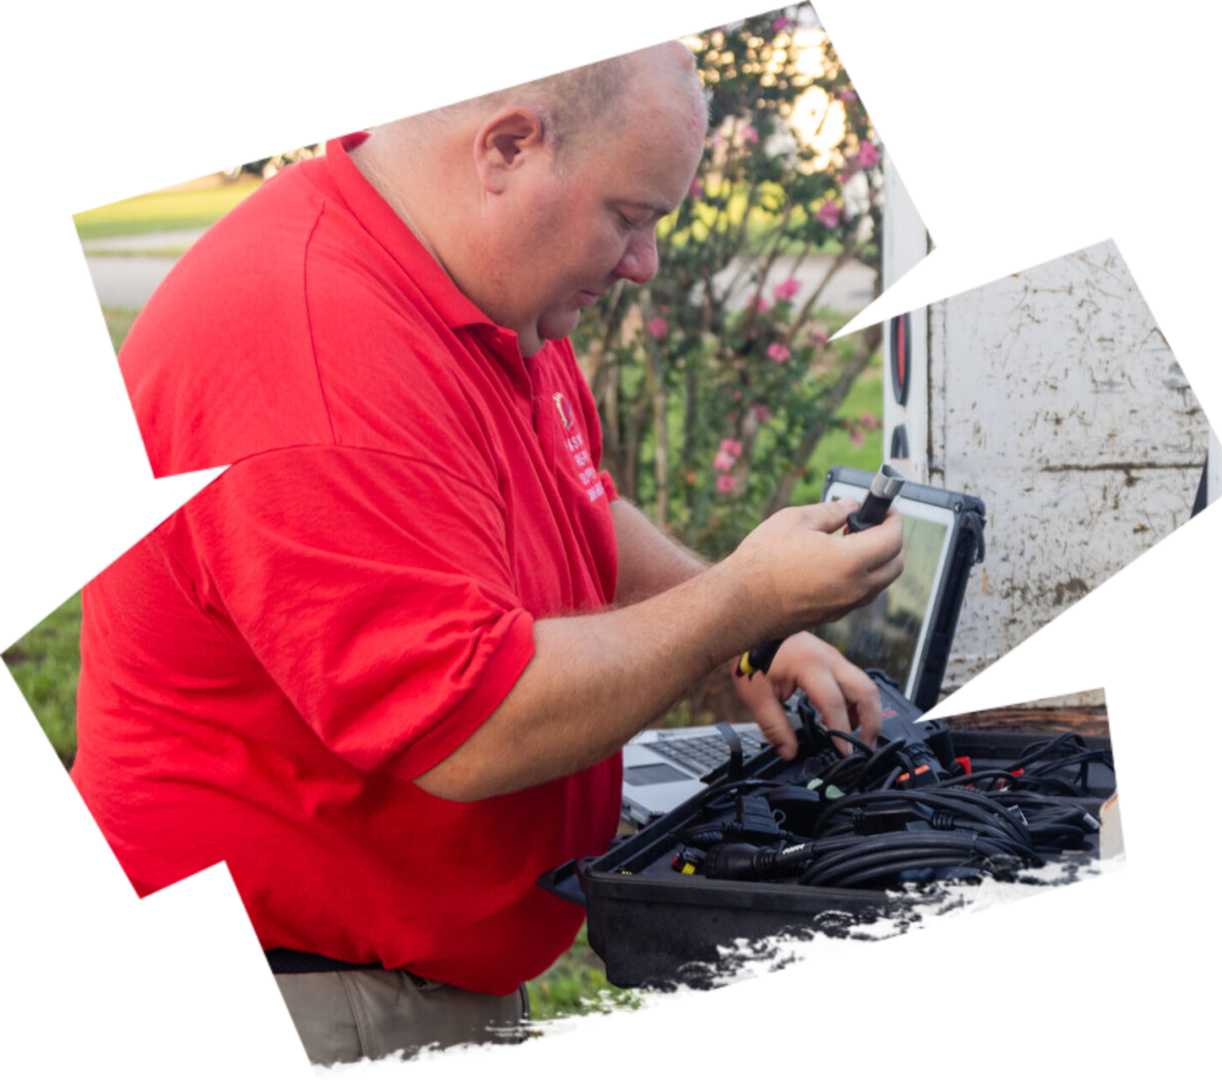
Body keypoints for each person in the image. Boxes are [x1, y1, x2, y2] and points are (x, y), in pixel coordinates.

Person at [70, 39, 903, 1080]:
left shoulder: (466, 281)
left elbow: (577, 503)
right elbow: (470, 724)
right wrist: (738, 601)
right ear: (507, 146)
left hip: (398, 985)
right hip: (302, 1008)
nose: (642, 263)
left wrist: (750, 634)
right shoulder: (313, 351)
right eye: (630, 217)